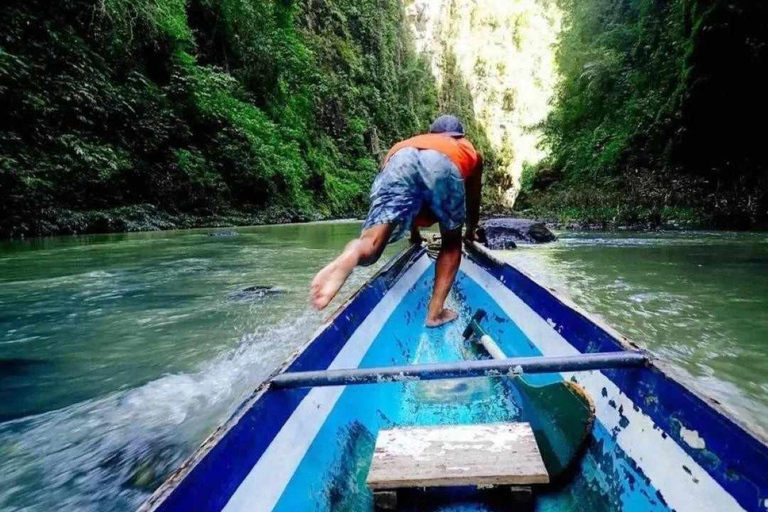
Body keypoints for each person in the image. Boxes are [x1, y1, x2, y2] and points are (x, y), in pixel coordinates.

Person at [310, 115, 483, 327]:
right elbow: (473, 199)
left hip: (399, 160)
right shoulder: (467, 149)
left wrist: (415, 235)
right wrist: (470, 231)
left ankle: (354, 252)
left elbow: (408, 200)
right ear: (460, 135)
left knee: (372, 242)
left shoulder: (411, 142)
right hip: (444, 163)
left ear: (431, 133)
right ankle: (435, 313)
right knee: (451, 245)